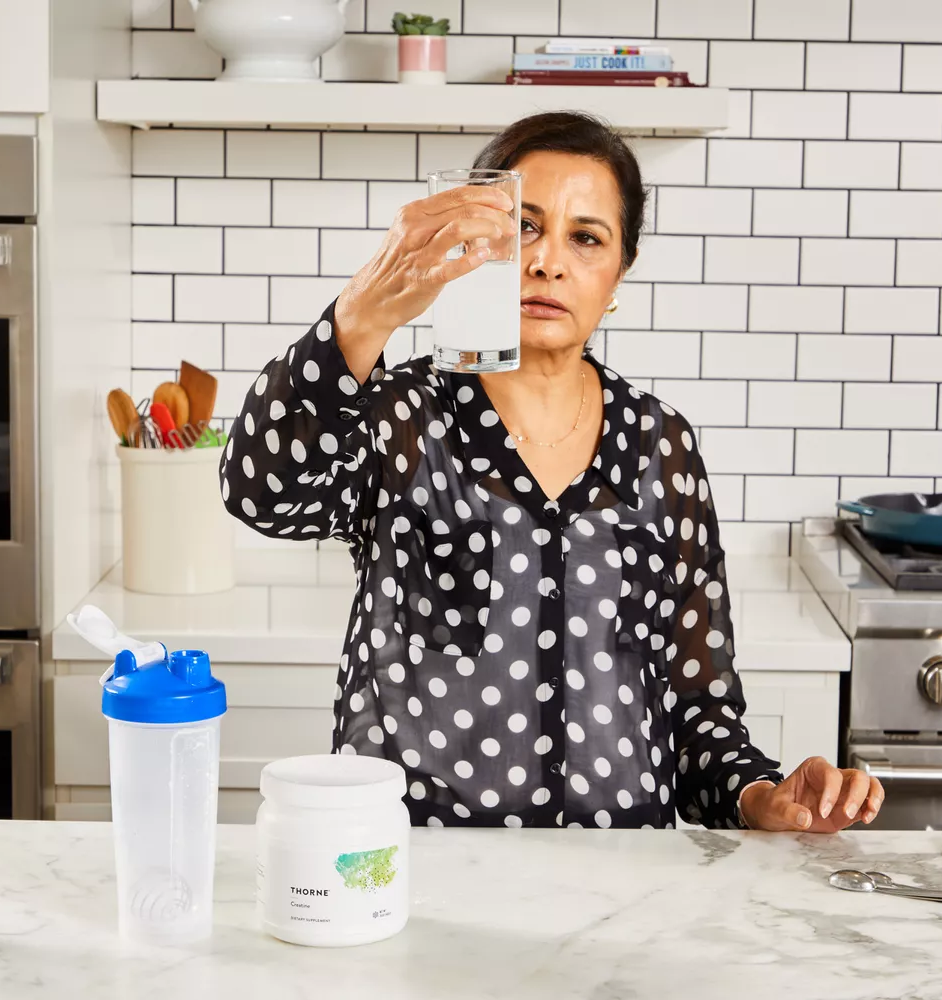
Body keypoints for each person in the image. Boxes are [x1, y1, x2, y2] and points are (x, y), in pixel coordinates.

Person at [221, 111, 883, 833]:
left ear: (619, 271)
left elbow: (698, 719)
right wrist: (363, 313)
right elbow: (263, 491)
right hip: (413, 880)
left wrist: (763, 798)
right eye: (524, 229)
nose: (547, 262)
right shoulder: (402, 414)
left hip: (622, 894)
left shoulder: (662, 445)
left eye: (586, 238)